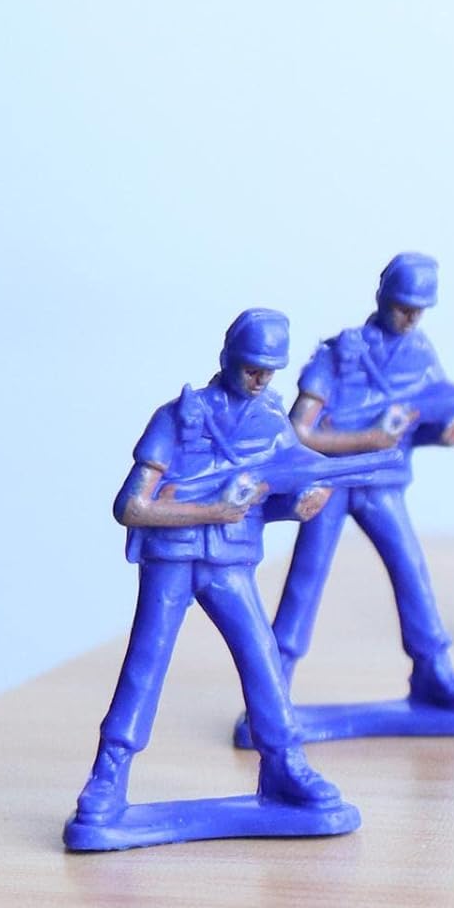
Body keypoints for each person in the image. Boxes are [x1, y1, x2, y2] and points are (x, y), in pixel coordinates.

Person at [69, 309, 352, 839]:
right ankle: (109, 774)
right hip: (172, 560)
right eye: (251, 367)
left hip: (230, 561)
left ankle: (285, 760)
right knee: (146, 664)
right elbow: (131, 506)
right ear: (228, 358)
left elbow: (272, 496)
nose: (260, 379)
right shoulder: (178, 418)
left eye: (269, 370)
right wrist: (210, 510)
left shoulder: (272, 425)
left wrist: (299, 505)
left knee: (262, 656)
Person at [270, 253, 454, 717]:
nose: (410, 317)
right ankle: (273, 682)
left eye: (419, 309)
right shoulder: (340, 353)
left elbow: (420, 421)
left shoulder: (420, 353)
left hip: (381, 484)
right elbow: (299, 432)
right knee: (306, 579)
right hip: (332, 482)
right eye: (403, 306)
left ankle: (433, 667)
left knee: (411, 569)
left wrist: (445, 433)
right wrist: (367, 438)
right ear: (383, 297)